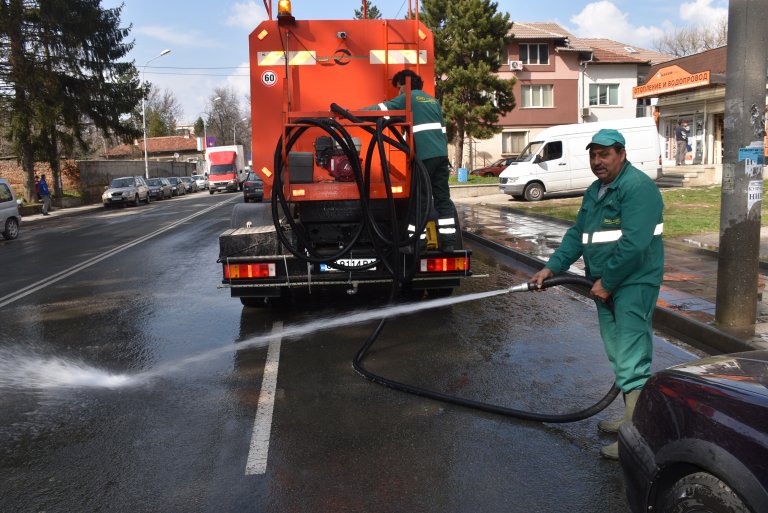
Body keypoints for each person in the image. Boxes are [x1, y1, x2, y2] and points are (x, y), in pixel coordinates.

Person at [529, 128, 664, 460]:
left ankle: (637, 436)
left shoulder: (637, 188)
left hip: (632, 281)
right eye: (593, 155)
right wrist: (552, 267)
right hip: (604, 283)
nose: (597, 161)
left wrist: (609, 281)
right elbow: (578, 235)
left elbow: (634, 243)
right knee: (619, 353)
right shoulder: (596, 191)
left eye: (604, 154)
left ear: (621, 153)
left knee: (632, 354)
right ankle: (631, 419)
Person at [362, 69, 456, 252]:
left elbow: (381, 110)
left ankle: (416, 242)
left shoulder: (410, 98)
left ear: (406, 85)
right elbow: (442, 131)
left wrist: (350, 113)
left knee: (419, 201)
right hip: (441, 156)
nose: (399, 93)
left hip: (424, 159)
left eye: (399, 88)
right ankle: (449, 243)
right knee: (443, 200)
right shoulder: (432, 101)